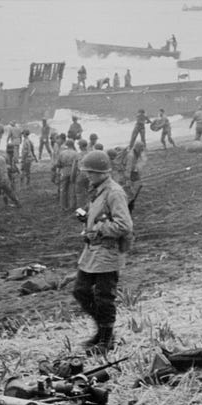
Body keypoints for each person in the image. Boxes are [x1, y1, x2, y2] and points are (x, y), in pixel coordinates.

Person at [71, 150, 133, 353]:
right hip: (93, 251)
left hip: (108, 251)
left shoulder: (114, 192)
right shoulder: (98, 190)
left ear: (102, 172)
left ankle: (106, 340)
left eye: (90, 172)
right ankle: (103, 332)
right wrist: (88, 217)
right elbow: (102, 215)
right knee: (80, 291)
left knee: (104, 297)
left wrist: (96, 229)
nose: (87, 175)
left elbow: (124, 225)